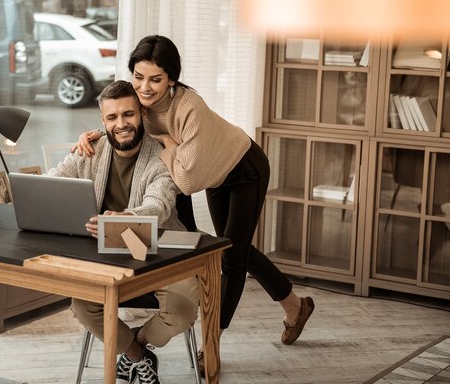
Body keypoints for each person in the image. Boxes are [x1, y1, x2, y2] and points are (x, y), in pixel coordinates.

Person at [73, 35, 315, 354]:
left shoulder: (188, 107)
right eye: (139, 77)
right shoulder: (138, 100)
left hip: (243, 167)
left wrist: (168, 145)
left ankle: (212, 344)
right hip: (211, 173)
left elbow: (186, 181)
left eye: (156, 80)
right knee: (230, 246)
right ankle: (295, 305)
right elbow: (118, 120)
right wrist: (92, 135)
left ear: (172, 79)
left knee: (230, 255)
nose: (145, 87)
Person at [49, 80, 197, 384]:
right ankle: (137, 357)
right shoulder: (91, 149)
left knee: (182, 312)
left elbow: (160, 205)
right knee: (82, 305)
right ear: (103, 121)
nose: (121, 124)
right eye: (112, 117)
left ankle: (136, 347)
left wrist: (126, 217)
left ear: (141, 113)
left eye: (128, 114)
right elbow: (53, 183)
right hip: (106, 256)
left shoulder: (162, 156)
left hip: (159, 251)